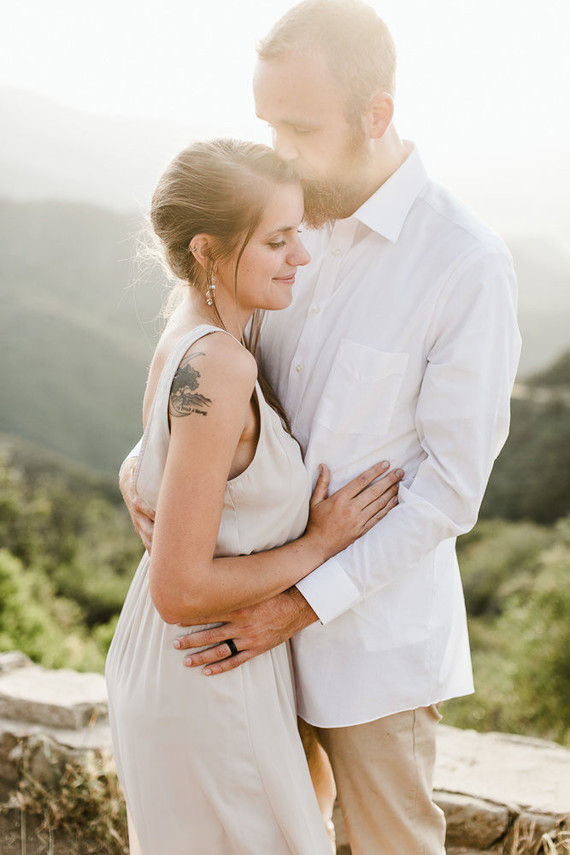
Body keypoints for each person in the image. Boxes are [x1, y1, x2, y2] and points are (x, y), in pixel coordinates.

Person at [121, 2, 522, 852]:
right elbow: (215, 367)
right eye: (269, 123)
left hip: (366, 650)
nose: (280, 147)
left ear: (376, 113)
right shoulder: (273, 227)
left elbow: (448, 493)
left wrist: (298, 604)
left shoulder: (464, 263)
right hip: (240, 647)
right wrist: (144, 466)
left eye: (299, 126)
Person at [106, 137, 403, 855]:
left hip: (179, 664)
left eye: (297, 232)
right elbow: (182, 587)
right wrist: (320, 543)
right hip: (208, 671)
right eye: (276, 239)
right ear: (208, 249)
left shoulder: (186, 338)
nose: (300, 255)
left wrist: (130, 470)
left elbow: (164, 462)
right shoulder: (221, 363)